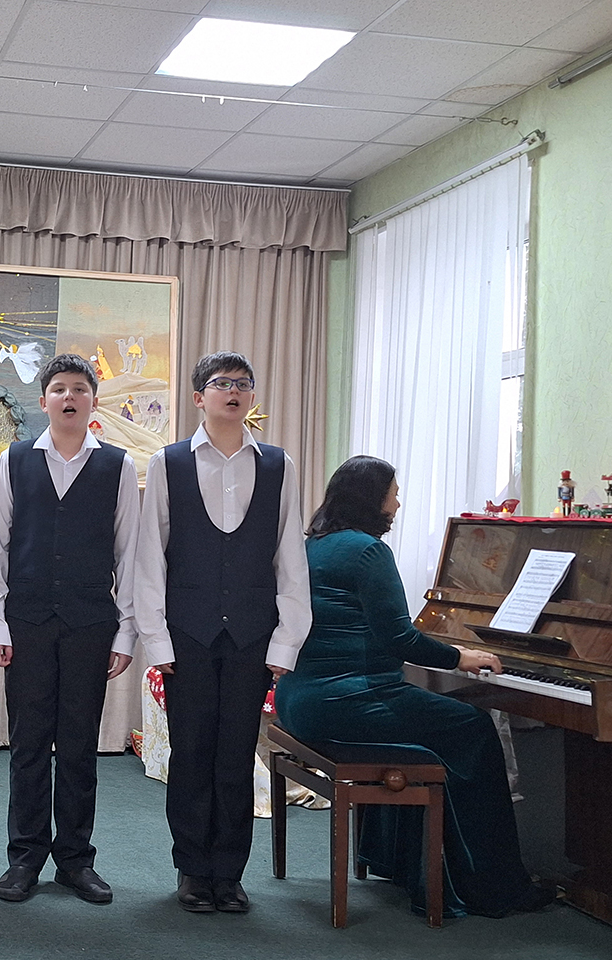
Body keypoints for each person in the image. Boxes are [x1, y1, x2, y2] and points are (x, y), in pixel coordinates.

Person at [274, 455, 554, 918]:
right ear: (372, 500)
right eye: (394, 494)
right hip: (352, 700)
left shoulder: (313, 545)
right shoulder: (368, 551)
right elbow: (399, 638)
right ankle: (495, 887)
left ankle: (404, 862)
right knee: (474, 728)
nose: (398, 504)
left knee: (441, 720)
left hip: (300, 700)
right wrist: (460, 656)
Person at [133, 350, 310, 914]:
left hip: (253, 635)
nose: (233, 391)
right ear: (198, 397)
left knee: (236, 756)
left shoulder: (278, 465)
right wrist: (156, 639)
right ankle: (192, 869)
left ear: (252, 397)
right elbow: (149, 557)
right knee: (191, 754)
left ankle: (229, 875)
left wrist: (286, 641)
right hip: (187, 634)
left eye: (243, 383)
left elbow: (289, 556)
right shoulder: (169, 463)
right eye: (220, 383)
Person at [0, 354, 139, 905]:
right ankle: (24, 857)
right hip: (25, 622)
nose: (68, 397)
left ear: (93, 400)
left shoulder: (118, 466)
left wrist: (126, 633)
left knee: (78, 746)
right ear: (44, 400)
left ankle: (75, 859)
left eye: (79, 388)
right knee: (28, 745)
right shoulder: (15, 459)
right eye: (58, 389)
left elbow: (131, 554)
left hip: (90, 624)